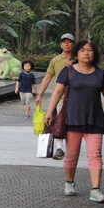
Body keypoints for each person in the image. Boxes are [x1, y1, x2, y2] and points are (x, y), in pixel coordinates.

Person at [45, 39, 104, 203]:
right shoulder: (68, 71)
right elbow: (57, 91)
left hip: (94, 120)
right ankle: (69, 183)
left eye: (89, 50)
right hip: (73, 120)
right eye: (82, 50)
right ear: (77, 53)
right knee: (71, 156)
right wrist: (49, 112)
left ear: (94, 53)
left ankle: (95, 190)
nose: (86, 53)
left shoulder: (100, 73)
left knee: (95, 155)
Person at [36, 32, 75, 160]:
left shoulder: (79, 60)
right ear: (61, 44)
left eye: (69, 42)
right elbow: (47, 78)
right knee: (59, 121)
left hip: (77, 97)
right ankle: (59, 148)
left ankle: (73, 148)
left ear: (73, 44)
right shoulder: (56, 60)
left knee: (74, 123)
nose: (66, 44)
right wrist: (39, 94)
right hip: (60, 97)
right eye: (64, 42)